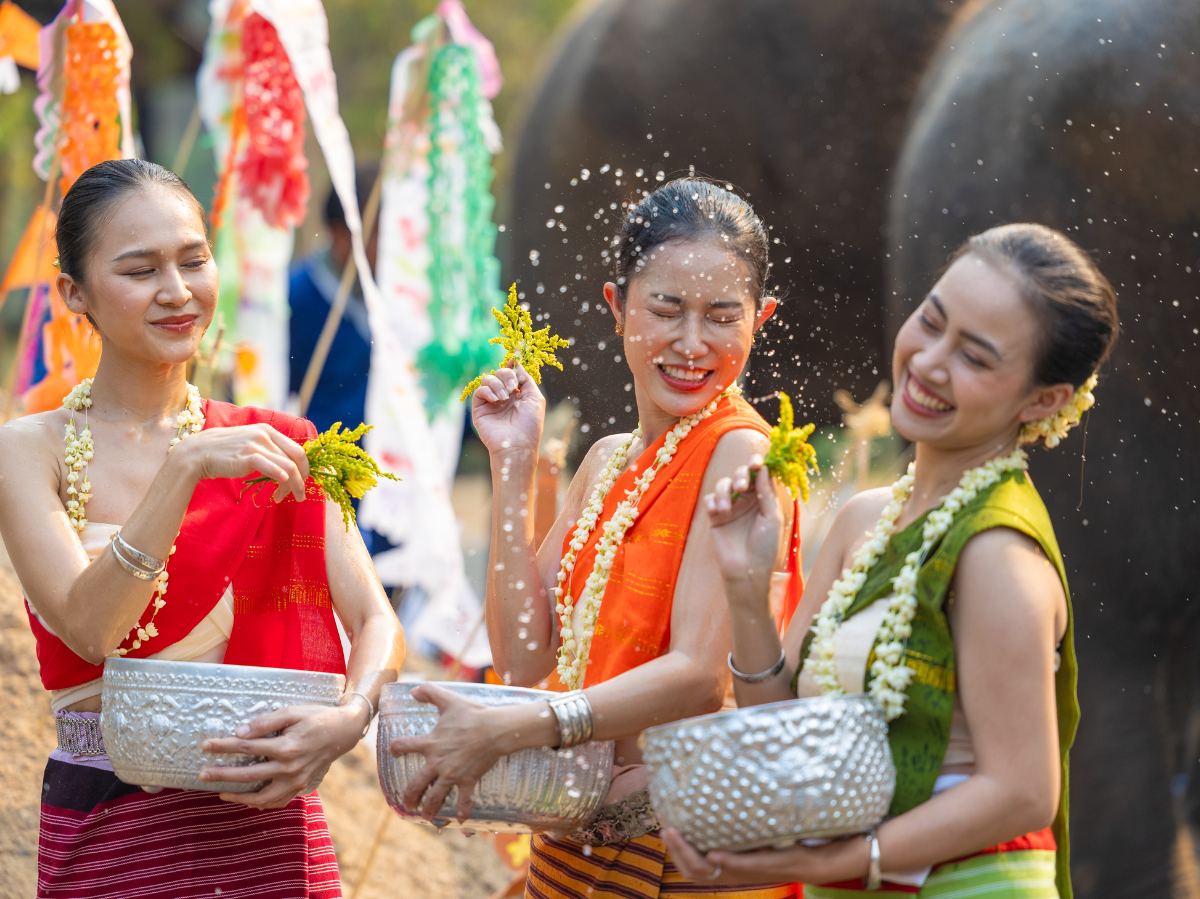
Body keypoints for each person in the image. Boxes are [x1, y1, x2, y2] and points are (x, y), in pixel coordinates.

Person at [661, 223, 1119, 899]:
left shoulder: (997, 553)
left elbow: (1023, 791)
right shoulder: (864, 520)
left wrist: (832, 862)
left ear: (1044, 399)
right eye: (931, 321)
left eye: (975, 357)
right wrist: (747, 590)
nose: (929, 362)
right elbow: (786, 728)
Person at [389, 178, 804, 899]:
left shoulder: (741, 453)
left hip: (688, 849)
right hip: (577, 834)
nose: (692, 344)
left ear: (760, 319)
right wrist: (512, 468)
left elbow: (699, 675)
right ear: (617, 307)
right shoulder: (607, 460)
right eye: (665, 310)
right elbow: (523, 656)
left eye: (721, 317)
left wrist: (519, 730)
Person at [0, 159, 404, 898]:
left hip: (269, 829)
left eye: (193, 260)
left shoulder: (276, 443)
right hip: (111, 836)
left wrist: (350, 718)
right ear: (74, 293)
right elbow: (90, 628)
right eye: (140, 270)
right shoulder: (30, 450)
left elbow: (376, 621)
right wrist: (183, 469)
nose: (178, 291)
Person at [287, 165, 378, 436]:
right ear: (340, 233)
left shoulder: (403, 296)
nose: (388, 244)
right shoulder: (296, 297)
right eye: (376, 232)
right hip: (325, 455)